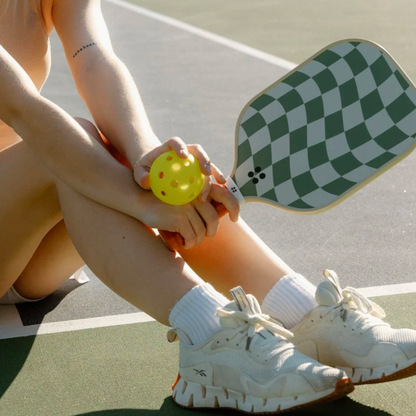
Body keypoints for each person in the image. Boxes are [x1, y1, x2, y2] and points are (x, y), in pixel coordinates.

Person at [0, 0, 415, 413]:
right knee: (66, 148)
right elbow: (23, 109)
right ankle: (210, 338)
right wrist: (140, 203)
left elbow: (94, 60)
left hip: (17, 239)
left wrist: (151, 165)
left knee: (127, 158)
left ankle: (307, 317)